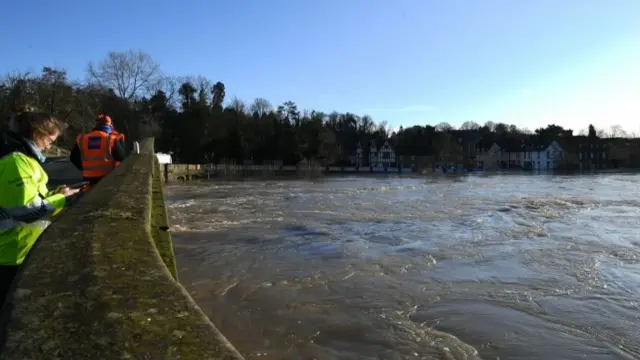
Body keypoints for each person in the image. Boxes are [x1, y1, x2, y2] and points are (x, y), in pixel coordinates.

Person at [0, 111, 81, 302]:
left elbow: (30, 199)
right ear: (37, 133)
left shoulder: (23, 159)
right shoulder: (16, 162)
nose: (51, 143)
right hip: (10, 254)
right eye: (50, 138)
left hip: (18, 250)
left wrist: (54, 195)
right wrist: (63, 199)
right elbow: (28, 210)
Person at [70, 113, 127, 185]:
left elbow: (73, 158)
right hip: (106, 178)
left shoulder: (82, 139)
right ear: (109, 126)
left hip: (88, 178)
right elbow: (122, 158)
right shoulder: (111, 139)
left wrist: (84, 168)